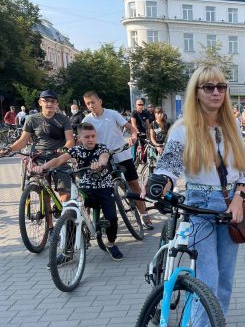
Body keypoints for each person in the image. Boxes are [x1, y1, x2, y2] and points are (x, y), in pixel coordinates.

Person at [149, 65, 245, 327]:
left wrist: (239, 197)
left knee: (225, 280)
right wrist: (159, 184)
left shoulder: (232, 126)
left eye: (220, 86)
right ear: (196, 91)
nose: (216, 92)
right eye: (208, 87)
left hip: (230, 207)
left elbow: (244, 171)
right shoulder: (182, 129)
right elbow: (168, 168)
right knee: (206, 279)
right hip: (199, 206)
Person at [31, 122, 124, 261]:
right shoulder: (76, 151)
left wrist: (100, 164)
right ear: (79, 138)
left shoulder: (101, 148)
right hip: (86, 189)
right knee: (71, 213)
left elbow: (104, 157)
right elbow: (59, 159)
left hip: (104, 188)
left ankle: (111, 244)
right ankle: (68, 252)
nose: (91, 139)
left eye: (93, 136)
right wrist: (43, 167)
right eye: (87, 137)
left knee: (111, 218)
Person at [1, 90, 74, 230]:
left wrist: (64, 150)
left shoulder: (63, 119)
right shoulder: (31, 119)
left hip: (58, 158)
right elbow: (23, 141)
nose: (50, 104)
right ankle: (51, 227)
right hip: (38, 158)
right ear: (40, 102)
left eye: (53, 101)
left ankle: (66, 223)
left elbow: (70, 140)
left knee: (65, 194)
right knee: (43, 193)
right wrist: (8, 150)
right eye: (46, 101)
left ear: (56, 103)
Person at [81, 91, 154, 230]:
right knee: (100, 189)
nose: (91, 106)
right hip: (102, 158)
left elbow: (131, 129)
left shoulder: (112, 114)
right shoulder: (87, 120)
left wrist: (133, 136)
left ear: (100, 101)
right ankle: (97, 219)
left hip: (121, 153)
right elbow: (83, 139)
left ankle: (144, 214)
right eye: (87, 104)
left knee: (134, 184)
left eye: (93, 102)